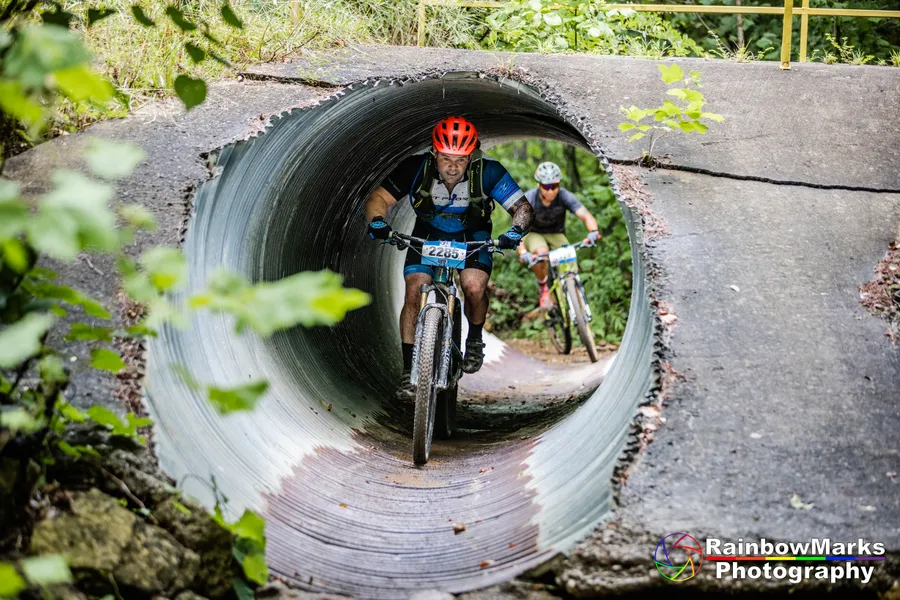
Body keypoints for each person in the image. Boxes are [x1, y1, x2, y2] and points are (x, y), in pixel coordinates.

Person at [365, 116, 534, 401]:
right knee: (414, 290)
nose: (453, 166)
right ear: (434, 154)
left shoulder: (488, 172)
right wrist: (378, 222)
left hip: (473, 233)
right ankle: (409, 372)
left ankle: (475, 338)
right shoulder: (416, 168)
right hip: (428, 231)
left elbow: (522, 207)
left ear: (472, 156)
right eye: (446, 158)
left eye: (461, 159)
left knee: (473, 287)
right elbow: (377, 199)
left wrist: (516, 231)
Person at [516, 161, 601, 309]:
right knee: (541, 253)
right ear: (539, 185)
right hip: (534, 233)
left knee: (571, 272)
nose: (550, 191)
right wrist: (523, 252)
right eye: (546, 187)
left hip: (556, 234)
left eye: (554, 186)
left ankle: (582, 320)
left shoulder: (564, 196)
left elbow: (586, 215)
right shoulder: (529, 199)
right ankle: (543, 287)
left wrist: (593, 232)